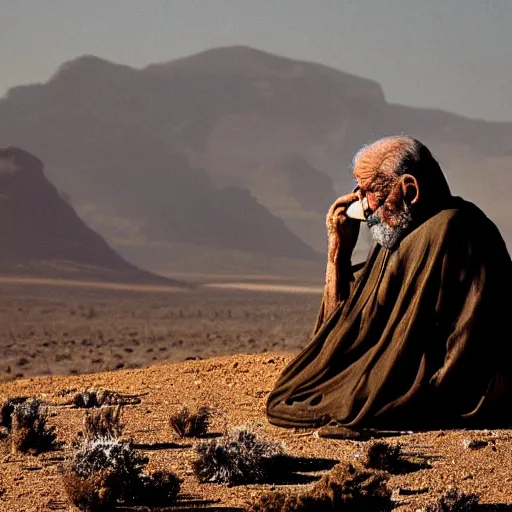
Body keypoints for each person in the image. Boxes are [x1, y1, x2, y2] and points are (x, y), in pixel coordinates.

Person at [267, 135, 512, 432]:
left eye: (369, 190)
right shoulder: (398, 235)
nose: (362, 205)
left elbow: (462, 356)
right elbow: (338, 340)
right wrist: (337, 256)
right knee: (298, 394)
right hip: (422, 382)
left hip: (459, 391)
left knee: (318, 401)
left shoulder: (454, 230)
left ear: (409, 189)